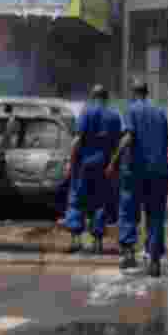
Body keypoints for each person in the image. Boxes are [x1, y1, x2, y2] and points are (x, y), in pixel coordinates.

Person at [106, 80, 168, 276]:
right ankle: (154, 262)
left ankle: (128, 256)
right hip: (159, 173)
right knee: (155, 216)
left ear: (134, 93)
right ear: (147, 92)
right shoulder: (161, 112)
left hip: (136, 172)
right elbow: (166, 143)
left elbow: (128, 138)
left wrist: (113, 161)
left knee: (128, 213)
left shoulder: (132, 110)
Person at [64, 85, 113, 255]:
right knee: (99, 202)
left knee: (77, 199)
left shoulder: (86, 113)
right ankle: (97, 243)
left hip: (84, 165)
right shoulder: (113, 115)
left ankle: (76, 241)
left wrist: (70, 163)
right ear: (106, 98)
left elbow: (77, 140)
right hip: (104, 166)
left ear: (92, 97)